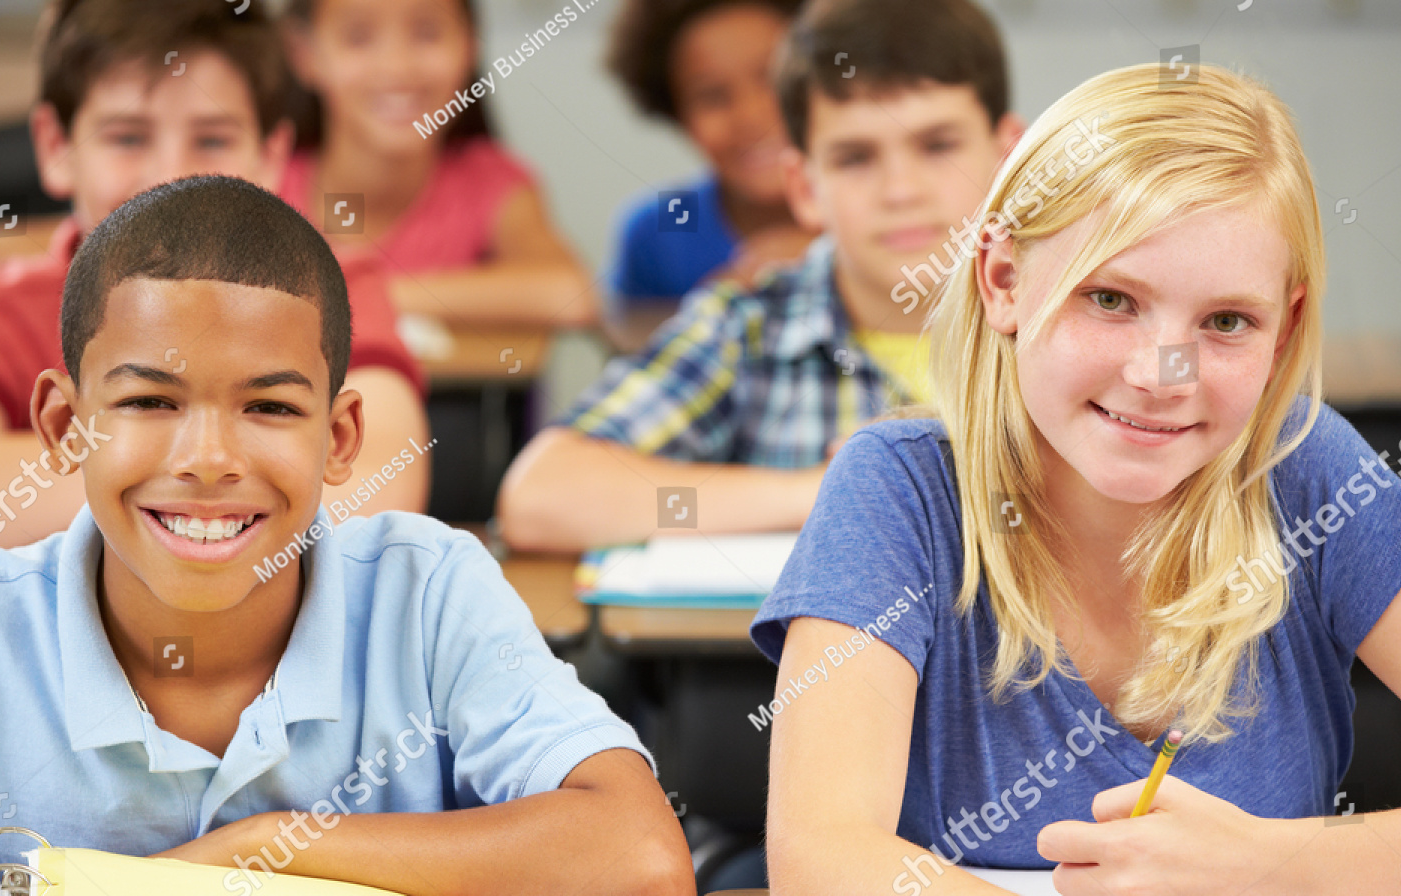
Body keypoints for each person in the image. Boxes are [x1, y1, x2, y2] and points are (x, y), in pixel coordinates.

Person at [751, 62, 1401, 896]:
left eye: (1227, 320)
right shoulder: (899, 491)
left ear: (1284, 329)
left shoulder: (1309, 473)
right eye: (1112, 299)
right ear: (1002, 279)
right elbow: (820, 869)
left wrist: (1277, 869)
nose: (1161, 371)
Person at [0, 176, 695, 896]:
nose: (210, 458)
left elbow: (643, 863)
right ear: (63, 426)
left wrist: (261, 850)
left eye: (270, 407)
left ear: (340, 439)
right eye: (151, 401)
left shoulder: (424, 595)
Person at [497, 0, 1024, 552]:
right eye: (855, 158)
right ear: (803, 187)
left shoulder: (1072, 314)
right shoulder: (744, 328)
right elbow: (538, 498)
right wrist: (835, 489)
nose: (901, 190)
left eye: (938, 145)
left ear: (1008, 152)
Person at [0, 0, 430, 563]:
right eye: (127, 138)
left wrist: (127, 480)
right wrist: (233, 491)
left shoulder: (331, 285)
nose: (170, 175)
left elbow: (382, 484)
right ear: (55, 147)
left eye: (212, 140)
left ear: (272, 155)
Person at [279, 0, 596, 329]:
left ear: (470, 45)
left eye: (427, 34)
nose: (397, 67)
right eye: (358, 37)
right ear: (304, 53)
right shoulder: (266, 182)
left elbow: (570, 293)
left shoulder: (492, 184)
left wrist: (362, 295)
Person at [602, 0, 811, 348]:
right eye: (712, 97)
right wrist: (717, 304)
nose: (751, 116)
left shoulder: (890, 212)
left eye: (774, 77)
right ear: (675, 114)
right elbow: (633, 372)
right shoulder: (656, 233)